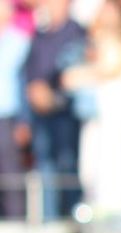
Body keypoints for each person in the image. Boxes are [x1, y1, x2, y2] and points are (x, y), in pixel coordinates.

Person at [63, 0, 121, 221]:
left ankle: (115, 206)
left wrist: (83, 76)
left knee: (114, 156)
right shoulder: (95, 39)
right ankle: (96, 205)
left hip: (116, 100)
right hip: (97, 105)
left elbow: (120, 69)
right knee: (91, 158)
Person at [24, 0, 89, 219]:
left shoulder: (78, 33)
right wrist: (36, 89)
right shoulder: (40, 36)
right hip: (42, 116)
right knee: (46, 166)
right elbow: (31, 73)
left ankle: (72, 216)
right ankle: (48, 219)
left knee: (68, 165)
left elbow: (78, 73)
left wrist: (54, 97)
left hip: (68, 115)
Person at [0, 0, 30, 219]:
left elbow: (24, 83)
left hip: (8, 115)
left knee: (10, 171)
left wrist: (24, 120)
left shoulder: (20, 42)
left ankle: (15, 219)